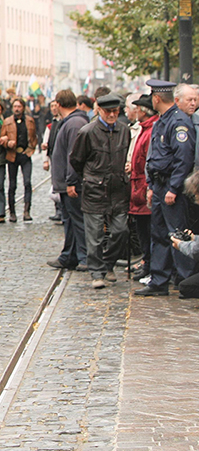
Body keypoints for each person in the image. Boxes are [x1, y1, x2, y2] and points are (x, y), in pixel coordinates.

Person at [137, 79, 196, 296]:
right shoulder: (163, 120)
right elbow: (156, 157)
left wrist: (173, 188)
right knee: (159, 233)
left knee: (177, 234)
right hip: (160, 185)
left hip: (172, 187)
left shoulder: (178, 121)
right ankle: (159, 281)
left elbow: (184, 158)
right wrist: (152, 186)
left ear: (156, 98)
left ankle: (185, 281)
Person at [68, 94, 131, 288]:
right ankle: (96, 272)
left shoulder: (124, 130)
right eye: (108, 111)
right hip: (95, 189)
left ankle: (108, 263)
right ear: (99, 111)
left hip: (118, 189)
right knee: (94, 235)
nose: (112, 115)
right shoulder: (87, 132)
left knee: (121, 231)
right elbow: (76, 160)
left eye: (115, 111)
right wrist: (90, 177)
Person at [47, 90, 90, 270]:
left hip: (72, 184)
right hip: (66, 183)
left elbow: (74, 155)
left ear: (59, 104)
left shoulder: (74, 123)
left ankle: (84, 258)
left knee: (77, 221)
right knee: (70, 221)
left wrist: (71, 181)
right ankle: (69, 256)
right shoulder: (70, 122)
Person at [129, 95, 158, 281]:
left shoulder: (150, 130)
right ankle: (147, 262)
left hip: (143, 188)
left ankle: (149, 264)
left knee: (147, 230)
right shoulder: (144, 129)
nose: (136, 111)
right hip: (138, 187)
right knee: (143, 229)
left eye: (138, 108)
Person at [3, 98, 39, 222]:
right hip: (12, 156)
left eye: (19, 106)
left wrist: (31, 149)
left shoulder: (30, 121)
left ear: (23, 108)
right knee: (12, 185)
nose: (17, 109)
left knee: (27, 182)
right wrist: (7, 143)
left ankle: (27, 211)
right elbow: (2, 138)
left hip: (25, 155)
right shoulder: (7, 121)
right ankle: (12, 212)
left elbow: (34, 137)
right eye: (15, 106)